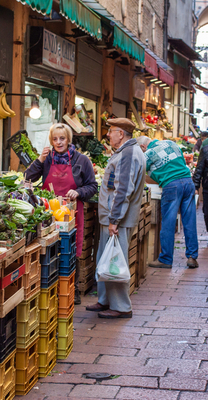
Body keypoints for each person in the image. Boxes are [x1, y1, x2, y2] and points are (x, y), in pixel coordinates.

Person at [25, 123, 98, 304]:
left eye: (62, 138)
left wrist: (79, 192)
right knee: (50, 249)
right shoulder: (47, 159)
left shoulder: (82, 161)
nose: (59, 142)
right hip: (48, 214)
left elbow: (92, 186)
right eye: (55, 139)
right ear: (51, 140)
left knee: (72, 249)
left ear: (69, 139)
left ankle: (73, 291)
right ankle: (49, 289)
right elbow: (27, 178)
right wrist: (39, 161)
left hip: (71, 213)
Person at [86, 118, 146, 319]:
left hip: (118, 220)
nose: (108, 135)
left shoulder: (128, 154)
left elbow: (122, 190)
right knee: (106, 257)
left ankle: (121, 306)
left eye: (111, 131)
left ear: (121, 134)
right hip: (113, 218)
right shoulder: (124, 152)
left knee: (114, 262)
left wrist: (114, 220)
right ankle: (105, 300)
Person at [136, 136, 199, 269]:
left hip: (172, 186)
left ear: (142, 147)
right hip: (188, 182)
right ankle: (192, 257)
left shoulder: (148, 154)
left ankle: (165, 259)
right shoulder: (171, 143)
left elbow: (138, 170)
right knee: (189, 221)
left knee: (168, 222)